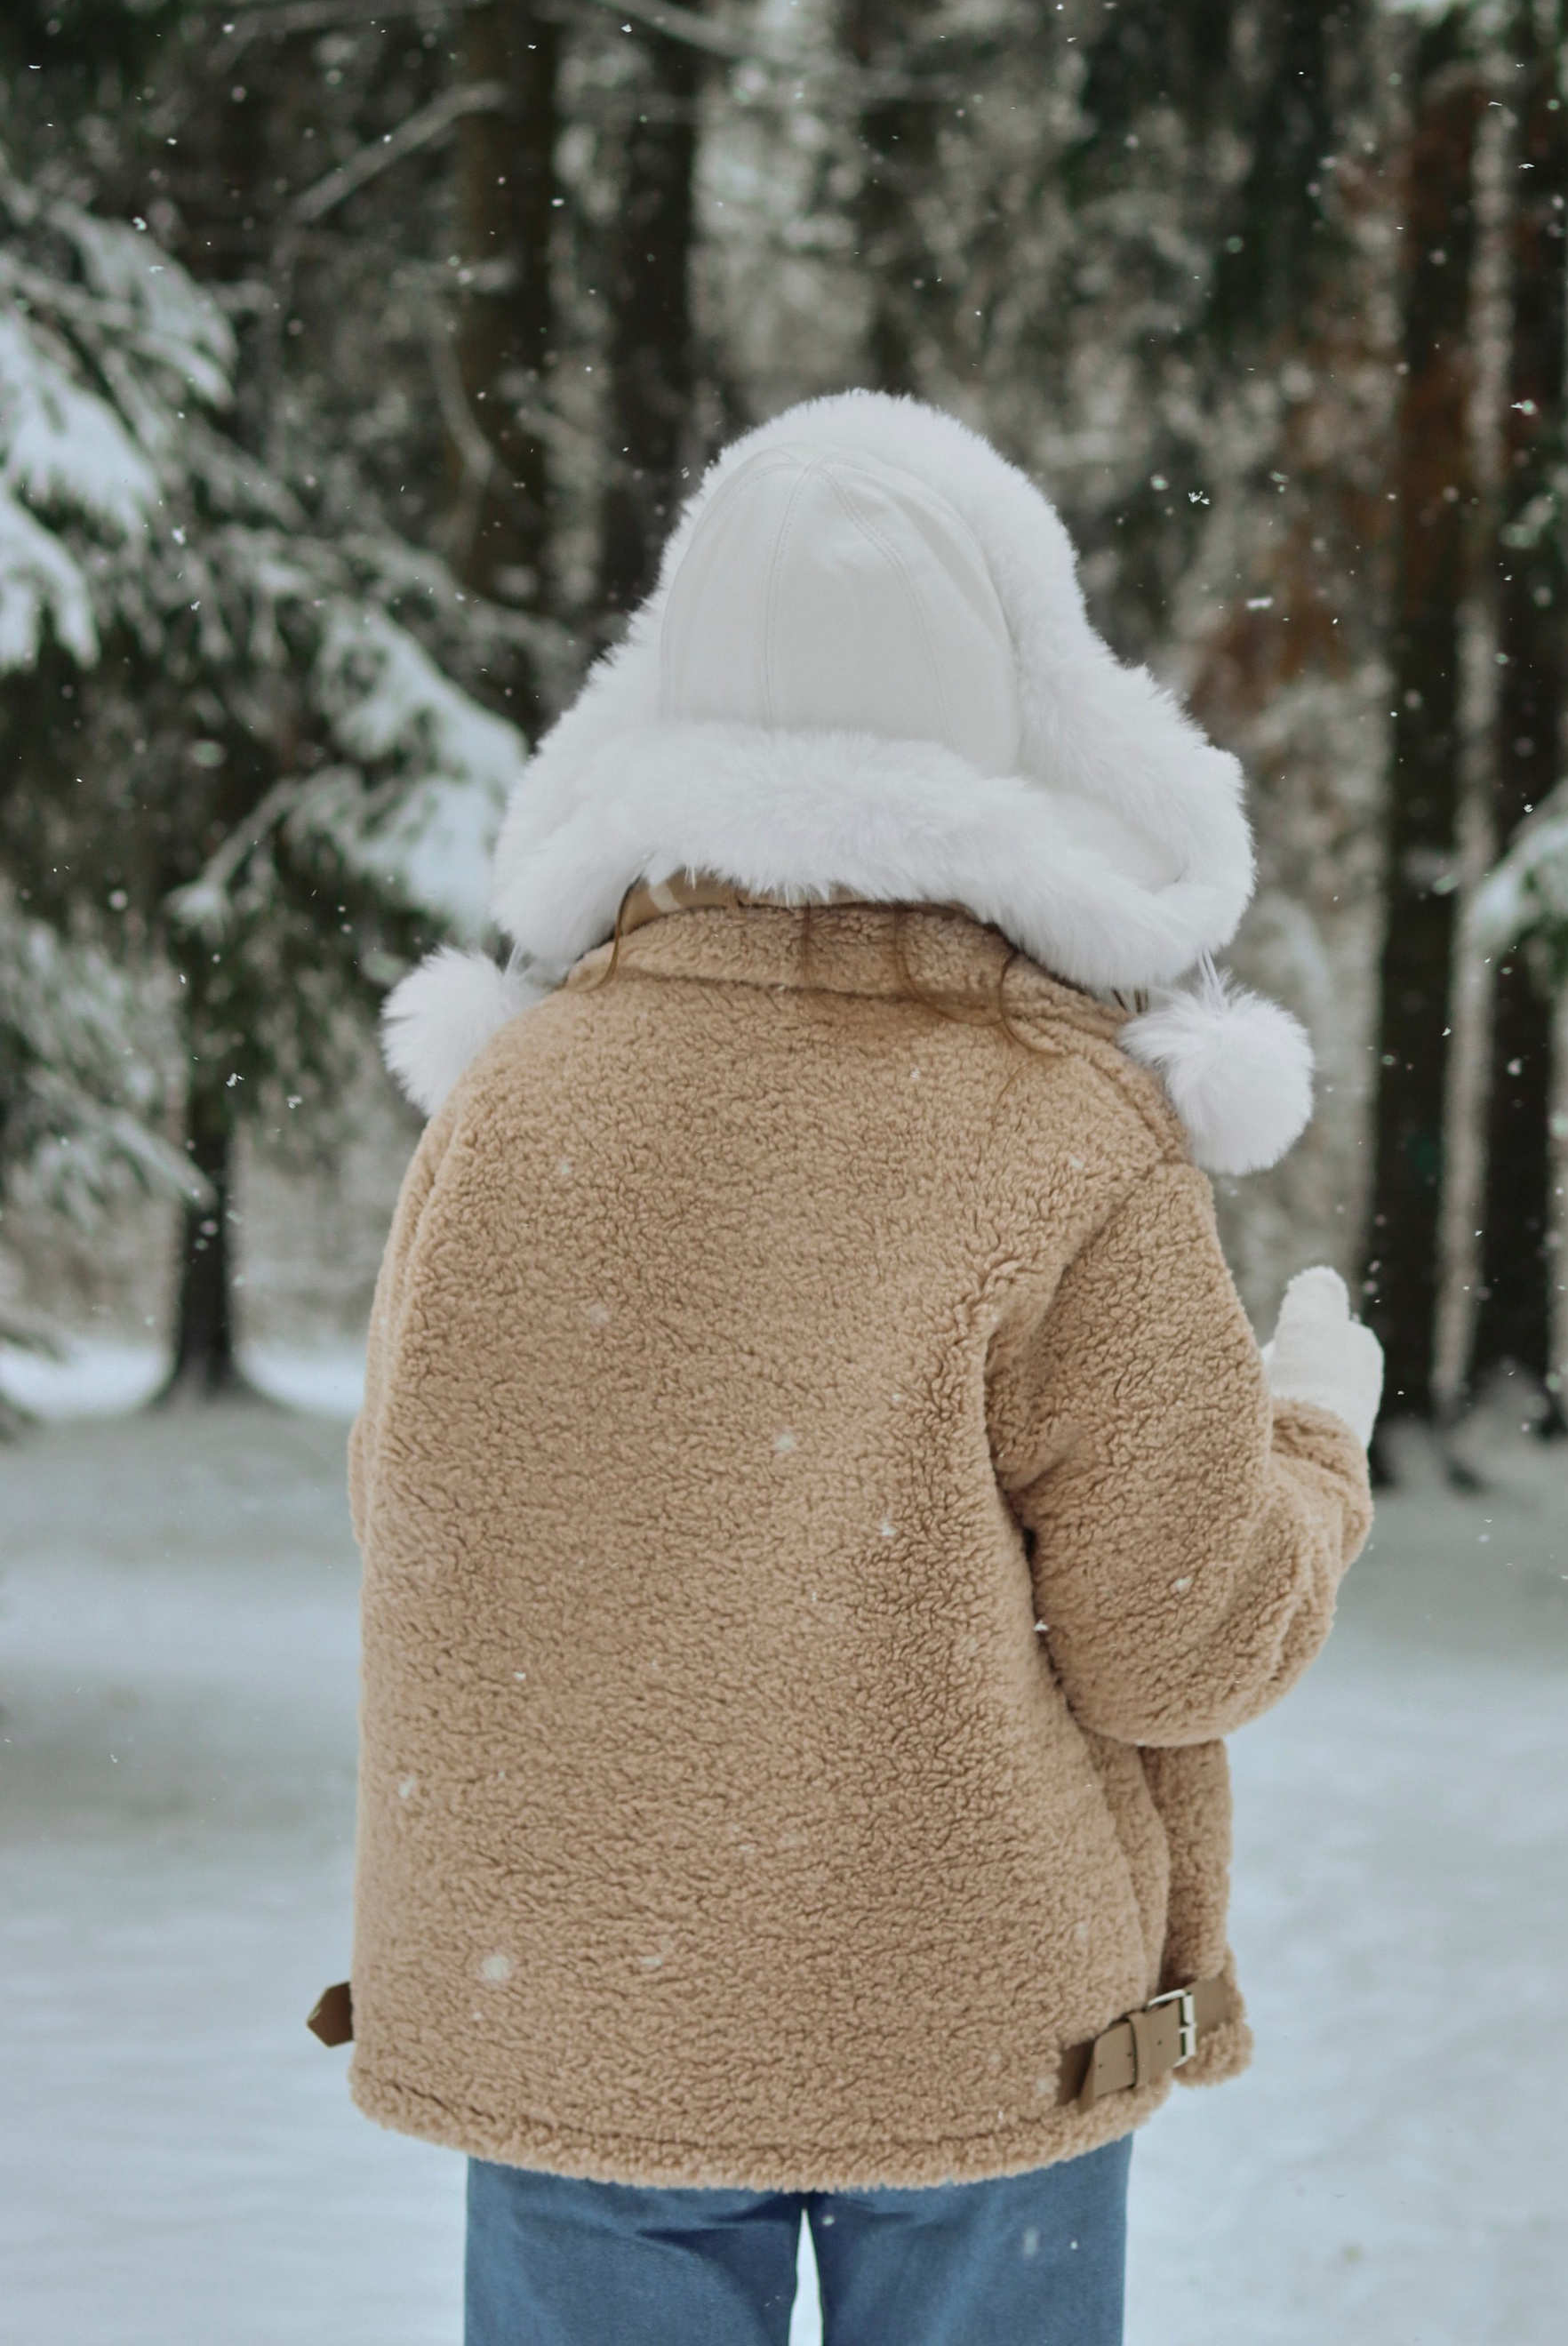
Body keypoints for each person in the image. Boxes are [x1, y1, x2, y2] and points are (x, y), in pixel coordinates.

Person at [325, 390, 1383, 2346]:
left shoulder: (513, 1102)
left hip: (578, 2016)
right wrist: (1314, 1430)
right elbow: (1184, 1639)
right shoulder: (1062, 1130)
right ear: (1010, 705)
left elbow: (428, 1524)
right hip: (973, 2033)